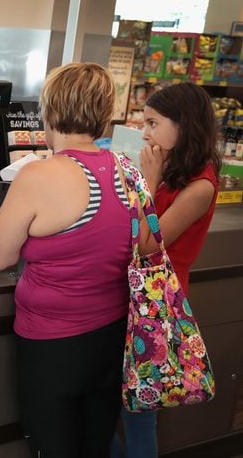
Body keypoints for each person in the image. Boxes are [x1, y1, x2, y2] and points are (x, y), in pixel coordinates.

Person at [0, 62, 132, 458]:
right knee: (95, 446)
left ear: (49, 111)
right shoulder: (128, 171)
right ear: (105, 112)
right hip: (113, 337)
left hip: (53, 345)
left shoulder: (39, 176)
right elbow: (144, 244)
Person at [112, 82, 221, 458]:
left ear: (183, 125)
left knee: (140, 410)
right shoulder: (168, 166)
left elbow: (147, 244)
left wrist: (148, 180)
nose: (145, 133)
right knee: (107, 405)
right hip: (129, 295)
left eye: (154, 123)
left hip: (157, 305)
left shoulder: (200, 186)